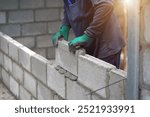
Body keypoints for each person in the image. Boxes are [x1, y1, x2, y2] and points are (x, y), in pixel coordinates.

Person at [52, 0, 126, 69]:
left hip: (106, 45)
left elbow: (105, 5)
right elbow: (68, 6)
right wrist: (65, 26)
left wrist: (89, 35)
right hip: (90, 45)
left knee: (102, 79)